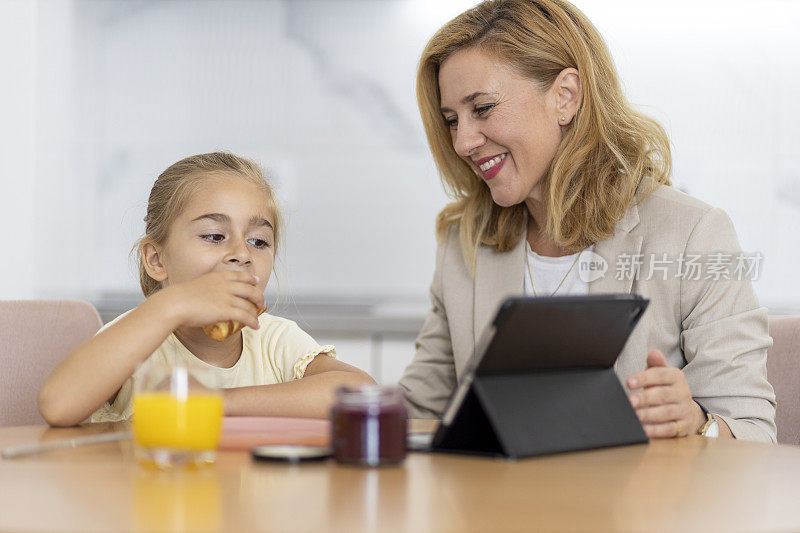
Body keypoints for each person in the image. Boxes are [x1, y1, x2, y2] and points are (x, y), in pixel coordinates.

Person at [399, 0, 776, 442]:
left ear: (565, 96)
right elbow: (420, 409)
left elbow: (754, 432)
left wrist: (697, 421)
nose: (463, 141)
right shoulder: (465, 240)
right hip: (496, 508)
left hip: (634, 509)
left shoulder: (693, 233)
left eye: (481, 108)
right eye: (451, 120)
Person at [39, 152, 375, 426]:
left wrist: (215, 402)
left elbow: (360, 394)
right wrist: (172, 306)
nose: (242, 254)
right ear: (156, 259)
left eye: (259, 241)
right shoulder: (137, 341)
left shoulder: (275, 341)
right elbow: (58, 405)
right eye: (214, 236)